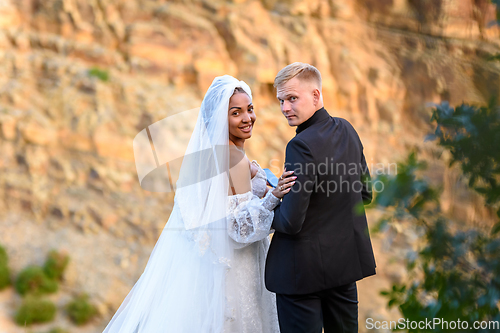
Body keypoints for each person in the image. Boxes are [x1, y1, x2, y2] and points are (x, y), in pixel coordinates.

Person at [102, 75, 294, 333]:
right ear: (218, 119)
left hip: (211, 268)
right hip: (237, 270)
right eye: (236, 113)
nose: (248, 118)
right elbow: (238, 230)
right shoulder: (232, 158)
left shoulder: (210, 155)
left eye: (250, 109)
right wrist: (274, 197)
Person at [265, 63, 377, 333]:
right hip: (344, 269)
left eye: (292, 98)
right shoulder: (347, 129)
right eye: (281, 100)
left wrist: (268, 204)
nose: (284, 108)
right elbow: (365, 194)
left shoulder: (300, 145)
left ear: (316, 96)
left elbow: (291, 222)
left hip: (301, 276)